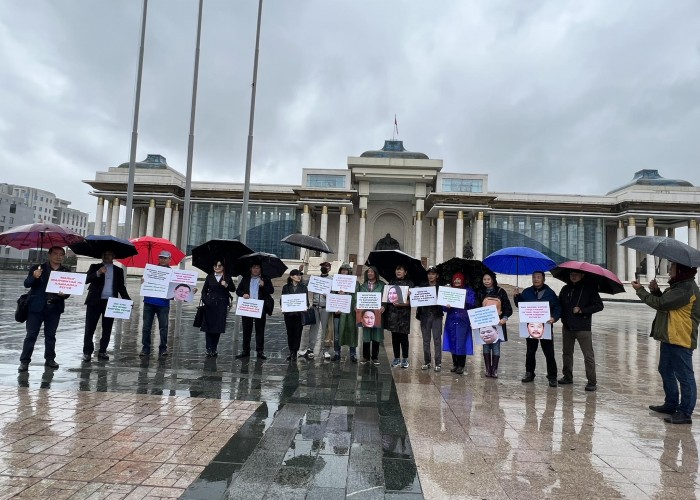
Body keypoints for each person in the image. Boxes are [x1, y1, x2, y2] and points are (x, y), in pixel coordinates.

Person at [633, 262, 700, 425]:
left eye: (673, 268)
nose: (670, 270)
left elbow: (662, 304)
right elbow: (665, 300)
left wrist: (640, 291)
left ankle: (685, 412)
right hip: (670, 336)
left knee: (685, 376)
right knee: (665, 369)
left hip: (680, 337)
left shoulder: (686, 288)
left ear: (682, 271)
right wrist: (655, 291)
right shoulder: (679, 286)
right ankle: (671, 404)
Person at [18, 246, 70, 372]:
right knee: (31, 335)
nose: (58, 256)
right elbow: (27, 284)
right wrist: (34, 277)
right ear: (49, 255)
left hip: (54, 307)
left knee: (51, 336)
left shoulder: (66, 271)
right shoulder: (38, 268)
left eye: (61, 254)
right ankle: (24, 361)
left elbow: (68, 291)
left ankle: (50, 359)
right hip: (36, 307)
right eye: (56, 254)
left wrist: (64, 295)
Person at [558, 270, 604, 391]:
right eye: (571, 274)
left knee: (588, 355)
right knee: (567, 353)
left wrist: (582, 310)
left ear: (582, 275)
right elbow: (559, 305)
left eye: (576, 274)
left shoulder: (589, 289)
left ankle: (592, 381)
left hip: (583, 328)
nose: (573, 276)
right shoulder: (565, 289)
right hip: (567, 327)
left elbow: (599, 305)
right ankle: (567, 376)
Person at [514, 271, 561, 387]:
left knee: (549, 353)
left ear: (543, 279)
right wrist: (517, 297)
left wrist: (554, 318)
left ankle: (552, 376)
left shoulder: (550, 293)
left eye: (538, 277)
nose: (536, 279)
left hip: (545, 326)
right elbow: (520, 306)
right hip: (530, 327)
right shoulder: (527, 292)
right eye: (534, 277)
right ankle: (529, 373)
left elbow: (558, 307)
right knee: (530, 352)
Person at [82, 250, 131, 362]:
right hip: (94, 301)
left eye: (109, 254)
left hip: (110, 303)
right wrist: (98, 273)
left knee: (107, 328)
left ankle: (103, 350)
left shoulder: (118, 270)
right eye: (104, 254)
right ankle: (87, 352)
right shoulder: (95, 266)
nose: (106, 256)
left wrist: (127, 300)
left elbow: (121, 287)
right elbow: (85, 280)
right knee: (90, 328)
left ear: (113, 256)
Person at [235, 260, 274, 360]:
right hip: (248, 307)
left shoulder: (265, 279)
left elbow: (271, 291)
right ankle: (245, 350)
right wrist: (243, 294)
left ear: (261, 269)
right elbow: (238, 290)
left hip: (260, 307)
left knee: (260, 330)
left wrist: (263, 285)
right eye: (254, 268)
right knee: (246, 330)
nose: (255, 270)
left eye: (257, 268)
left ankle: (260, 351)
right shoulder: (246, 279)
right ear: (250, 269)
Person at [477, 271, 512, 378]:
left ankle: (495, 370)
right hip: (484, 324)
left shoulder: (501, 292)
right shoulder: (480, 292)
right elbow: (476, 308)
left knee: (496, 347)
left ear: (493, 280)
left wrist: (504, 318)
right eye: (484, 279)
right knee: (486, 347)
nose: (486, 281)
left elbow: (508, 309)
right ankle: (488, 369)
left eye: (488, 279)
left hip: (498, 325)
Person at [140, 250, 173, 358]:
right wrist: (143, 282)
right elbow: (144, 285)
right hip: (149, 302)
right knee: (146, 327)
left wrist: (189, 292)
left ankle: (163, 348)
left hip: (163, 304)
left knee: (163, 327)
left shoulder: (172, 273)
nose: (162, 259)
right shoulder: (151, 270)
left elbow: (176, 290)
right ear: (158, 258)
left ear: (169, 259)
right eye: (161, 257)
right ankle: (146, 348)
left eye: (165, 258)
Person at [443, 272, 477, 375]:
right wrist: (446, 306)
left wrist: (464, 297)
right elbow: (443, 307)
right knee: (453, 340)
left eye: (459, 279)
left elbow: (472, 304)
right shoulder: (449, 291)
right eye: (455, 279)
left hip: (463, 320)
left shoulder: (468, 290)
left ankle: (461, 365)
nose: (457, 281)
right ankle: (455, 364)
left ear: (462, 280)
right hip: (451, 320)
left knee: (461, 342)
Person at [299, 261, 332, 360]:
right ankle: (311, 348)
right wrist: (300, 271)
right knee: (313, 328)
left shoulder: (332, 279)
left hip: (325, 307)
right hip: (315, 306)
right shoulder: (314, 279)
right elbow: (302, 283)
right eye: (322, 266)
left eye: (326, 266)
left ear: (329, 268)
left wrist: (329, 296)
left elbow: (336, 294)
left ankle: (326, 350)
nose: (324, 268)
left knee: (326, 329)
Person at [200, 260, 233, 357]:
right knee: (209, 327)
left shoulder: (227, 277)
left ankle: (214, 347)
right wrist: (206, 300)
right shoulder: (209, 277)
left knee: (218, 327)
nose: (217, 267)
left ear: (223, 267)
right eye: (215, 265)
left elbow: (233, 289)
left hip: (221, 305)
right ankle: (208, 348)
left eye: (219, 265)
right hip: (210, 305)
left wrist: (226, 285)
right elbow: (204, 291)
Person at [386, 264, 414, 368]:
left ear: (405, 272)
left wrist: (401, 304)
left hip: (404, 315)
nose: (398, 272)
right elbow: (387, 297)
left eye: (401, 270)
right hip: (393, 314)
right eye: (397, 270)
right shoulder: (392, 282)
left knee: (403, 337)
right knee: (395, 337)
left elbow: (412, 302)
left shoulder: (409, 283)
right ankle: (396, 358)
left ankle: (405, 359)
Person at [416, 266, 443, 372]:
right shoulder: (423, 286)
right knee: (426, 340)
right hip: (425, 316)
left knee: (437, 340)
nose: (431, 276)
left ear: (437, 275)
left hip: (436, 315)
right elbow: (417, 297)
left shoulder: (441, 288)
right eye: (429, 274)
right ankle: (427, 361)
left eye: (433, 274)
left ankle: (438, 362)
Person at [332, 262, 358, 362]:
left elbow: (356, 297)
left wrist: (346, 294)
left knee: (352, 332)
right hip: (338, 312)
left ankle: (353, 354)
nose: (343, 272)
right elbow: (332, 297)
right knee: (337, 334)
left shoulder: (355, 283)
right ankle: (337, 352)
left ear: (349, 271)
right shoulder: (336, 281)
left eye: (345, 270)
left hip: (351, 312)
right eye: (342, 270)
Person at [358, 266, 385, 365]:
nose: (370, 273)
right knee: (366, 335)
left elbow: (386, 298)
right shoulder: (363, 285)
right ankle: (365, 356)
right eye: (368, 272)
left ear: (376, 274)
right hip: (365, 313)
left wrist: (384, 306)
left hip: (377, 313)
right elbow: (359, 298)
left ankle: (375, 357)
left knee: (376, 334)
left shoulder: (382, 285)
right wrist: (357, 306)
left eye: (372, 272)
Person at [281, 269, 309, 361]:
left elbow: (306, 301)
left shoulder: (303, 287)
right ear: (291, 276)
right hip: (288, 315)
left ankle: (295, 351)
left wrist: (306, 307)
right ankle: (291, 351)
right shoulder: (286, 287)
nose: (299, 277)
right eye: (296, 275)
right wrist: (284, 307)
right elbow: (282, 300)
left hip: (299, 314)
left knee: (298, 333)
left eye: (300, 275)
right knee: (290, 333)